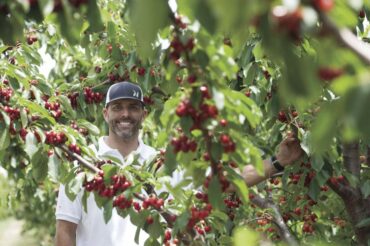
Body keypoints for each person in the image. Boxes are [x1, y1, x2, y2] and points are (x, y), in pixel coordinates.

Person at [55, 81, 302, 246]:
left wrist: (276, 163)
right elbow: (65, 231)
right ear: (105, 113)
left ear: (144, 114)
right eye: (117, 108)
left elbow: (221, 182)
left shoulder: (161, 162)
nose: (125, 114)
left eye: (133, 107)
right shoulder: (84, 164)